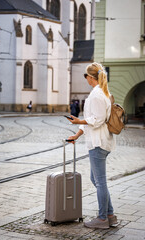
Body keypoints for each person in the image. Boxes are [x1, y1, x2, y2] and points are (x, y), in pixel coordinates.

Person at [66, 62, 117, 229]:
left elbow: (97, 119)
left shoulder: (97, 94)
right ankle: (110, 215)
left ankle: (103, 218)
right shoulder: (101, 92)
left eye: (85, 76)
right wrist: (77, 134)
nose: (85, 78)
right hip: (100, 141)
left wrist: (79, 121)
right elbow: (91, 119)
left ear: (90, 77)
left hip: (98, 143)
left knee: (100, 181)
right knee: (95, 179)